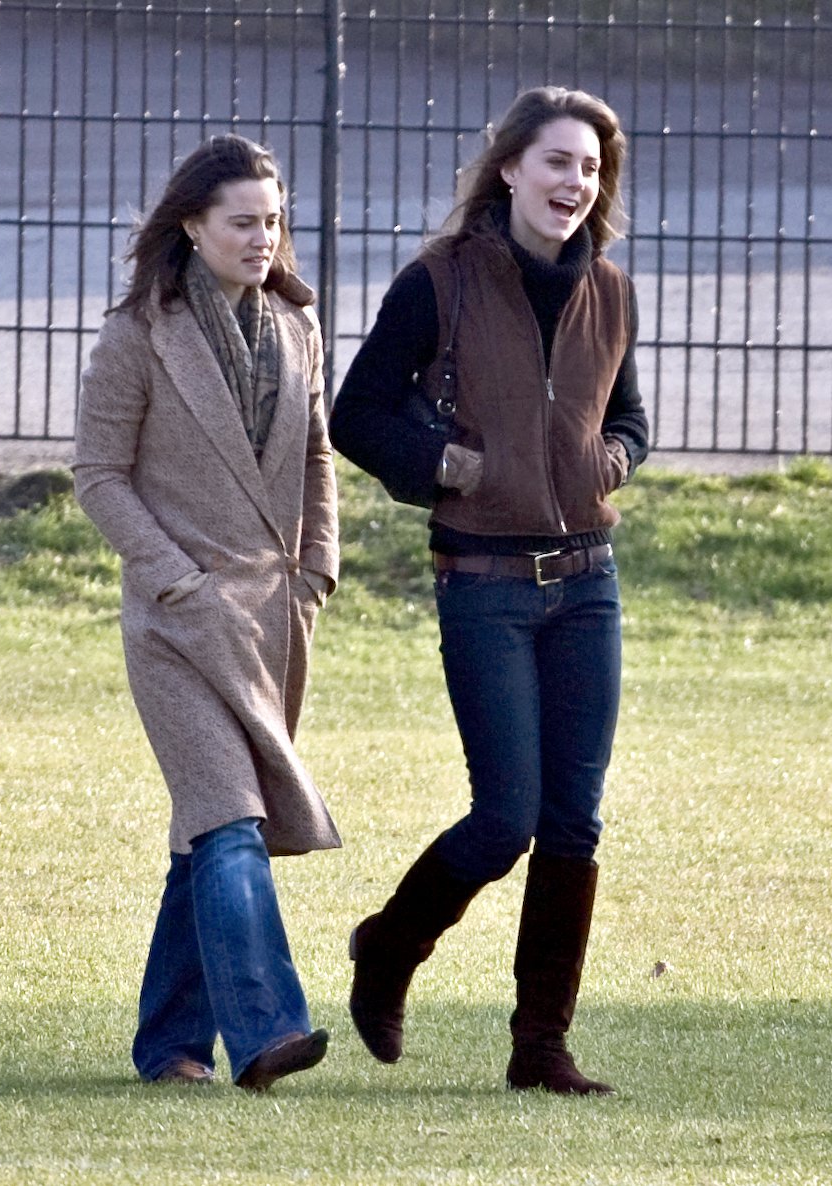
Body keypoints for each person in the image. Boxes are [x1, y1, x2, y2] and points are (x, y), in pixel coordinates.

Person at [329, 86, 649, 1096]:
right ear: (509, 167)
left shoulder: (611, 289)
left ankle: (539, 1046)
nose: (574, 184)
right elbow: (359, 414)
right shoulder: (439, 282)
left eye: (590, 168)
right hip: (483, 584)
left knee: (573, 823)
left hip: (587, 588)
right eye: (557, 162)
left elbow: (630, 419)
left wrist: (614, 461)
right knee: (504, 814)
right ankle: (388, 948)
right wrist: (444, 467)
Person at [73, 134, 340, 1091]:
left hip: (272, 620)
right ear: (192, 224)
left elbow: (315, 456)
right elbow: (97, 477)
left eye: (273, 221)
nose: (263, 238)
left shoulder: (297, 330)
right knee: (231, 820)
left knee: (203, 837)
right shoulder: (137, 335)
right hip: (176, 625)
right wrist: (172, 575)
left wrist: (318, 567)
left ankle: (168, 1045)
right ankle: (268, 1029)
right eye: (243, 222)